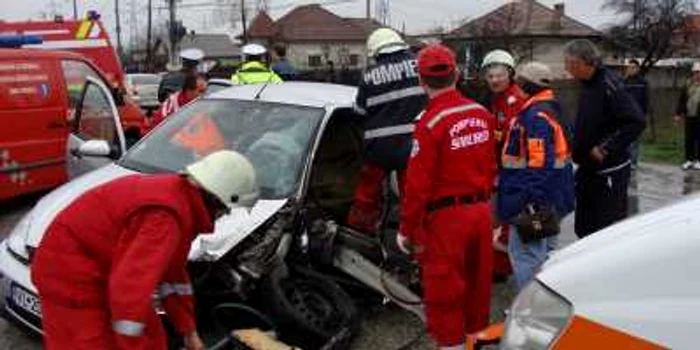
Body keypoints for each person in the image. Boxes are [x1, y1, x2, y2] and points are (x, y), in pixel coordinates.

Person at [31, 150, 259, 350]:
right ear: (216, 198)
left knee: (152, 337)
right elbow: (128, 291)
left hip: (93, 267)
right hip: (69, 277)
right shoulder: (165, 217)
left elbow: (173, 277)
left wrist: (188, 332)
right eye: (228, 209)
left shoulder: (180, 202)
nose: (225, 215)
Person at [397, 44, 496, 350]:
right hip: (481, 213)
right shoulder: (482, 113)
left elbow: (417, 187)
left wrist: (407, 230)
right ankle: (474, 342)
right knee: (478, 290)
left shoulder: (429, 124)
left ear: (420, 81)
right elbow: (491, 165)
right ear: (457, 73)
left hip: (447, 222)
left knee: (445, 293)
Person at [497, 62, 575, 289]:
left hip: (536, 200)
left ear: (526, 84)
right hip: (556, 196)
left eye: (519, 81)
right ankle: (547, 305)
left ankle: (530, 310)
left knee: (525, 255)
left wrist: (531, 203)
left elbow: (539, 164)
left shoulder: (535, 116)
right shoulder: (554, 108)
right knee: (547, 253)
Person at [346, 28, 427, 234]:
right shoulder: (420, 66)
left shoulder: (370, 76)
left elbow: (359, 112)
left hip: (377, 148)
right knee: (412, 196)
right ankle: (413, 237)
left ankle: (358, 233)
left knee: (367, 195)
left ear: (376, 51)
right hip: (411, 146)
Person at [563, 39, 646, 239]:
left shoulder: (610, 84)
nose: (566, 68)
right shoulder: (588, 84)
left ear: (583, 61)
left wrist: (605, 147)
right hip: (588, 171)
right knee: (583, 229)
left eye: (568, 63)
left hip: (608, 173)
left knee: (602, 234)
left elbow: (636, 121)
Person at [480, 49, 525, 280]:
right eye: (490, 76)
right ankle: (499, 267)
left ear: (510, 74)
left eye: (499, 75)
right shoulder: (497, 99)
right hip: (502, 167)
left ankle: (505, 267)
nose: (495, 80)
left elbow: (514, 138)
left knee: (504, 218)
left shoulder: (514, 100)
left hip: (512, 169)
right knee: (498, 218)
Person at [674, 62, 700, 170]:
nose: (697, 75)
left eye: (699, 73)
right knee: (689, 138)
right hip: (689, 115)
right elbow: (682, 100)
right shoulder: (687, 84)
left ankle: (698, 160)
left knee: (699, 139)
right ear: (692, 73)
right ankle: (688, 160)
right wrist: (678, 114)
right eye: (695, 72)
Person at [624, 59, 649, 168]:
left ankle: (633, 162)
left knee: (635, 141)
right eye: (629, 67)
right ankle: (626, 160)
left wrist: (643, 115)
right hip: (625, 116)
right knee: (624, 140)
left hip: (637, 116)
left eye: (633, 67)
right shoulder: (623, 82)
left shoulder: (643, 83)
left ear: (637, 69)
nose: (631, 69)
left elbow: (646, 100)